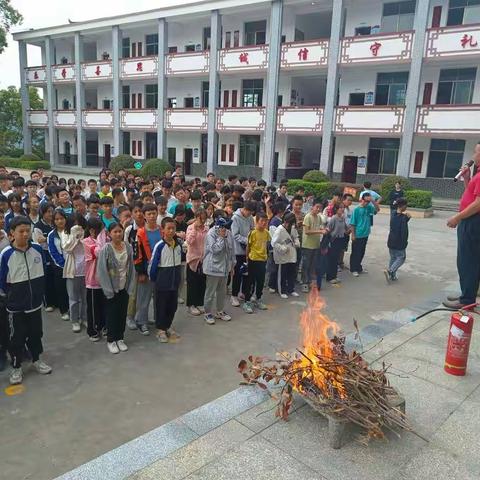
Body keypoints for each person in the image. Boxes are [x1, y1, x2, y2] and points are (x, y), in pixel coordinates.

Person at [0, 216, 52, 385]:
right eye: (20, 231)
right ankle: (16, 366)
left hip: (35, 304)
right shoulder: (6, 255)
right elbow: (2, 281)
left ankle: (37, 359)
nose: (25, 234)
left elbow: (42, 271)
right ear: (12, 234)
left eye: (27, 231)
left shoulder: (36, 249)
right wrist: (11, 297)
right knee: (16, 337)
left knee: (36, 333)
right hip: (15, 306)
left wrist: (38, 293)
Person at [444, 142, 480, 309]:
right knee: (470, 260)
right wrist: (466, 179)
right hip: (471, 220)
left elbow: (478, 204)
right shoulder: (477, 174)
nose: (474, 156)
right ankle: (467, 294)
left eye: (476, 152)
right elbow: (471, 195)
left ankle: (466, 300)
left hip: (473, 222)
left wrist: (457, 218)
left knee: (467, 261)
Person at [97, 222, 135, 354]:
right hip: (111, 289)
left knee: (122, 313)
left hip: (124, 286)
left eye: (120, 231)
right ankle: (111, 340)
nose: (118, 234)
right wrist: (108, 290)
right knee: (112, 314)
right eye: (115, 232)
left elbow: (131, 267)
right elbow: (102, 271)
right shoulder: (106, 249)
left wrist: (130, 285)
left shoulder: (128, 247)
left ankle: (120, 338)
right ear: (109, 234)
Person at [149, 217, 182, 343]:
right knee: (161, 306)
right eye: (168, 228)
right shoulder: (160, 246)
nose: (171, 231)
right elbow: (152, 265)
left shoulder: (178, 245)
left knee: (172, 306)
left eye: (173, 228)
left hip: (174, 281)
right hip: (162, 282)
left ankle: (168, 326)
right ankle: (160, 330)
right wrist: (155, 279)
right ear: (162, 230)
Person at [134, 203, 162, 335]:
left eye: (153, 213)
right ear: (144, 216)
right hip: (146, 270)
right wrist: (140, 272)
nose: (151, 216)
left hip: (161, 270)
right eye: (149, 214)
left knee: (159, 296)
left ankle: (158, 320)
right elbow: (137, 254)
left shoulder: (162, 230)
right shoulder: (140, 233)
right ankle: (141, 322)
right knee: (143, 297)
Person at [202, 216, 235, 325]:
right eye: (224, 226)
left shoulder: (229, 233)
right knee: (210, 292)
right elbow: (215, 250)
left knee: (222, 292)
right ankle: (207, 313)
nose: (226, 228)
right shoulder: (211, 233)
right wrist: (221, 237)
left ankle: (219, 311)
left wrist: (232, 266)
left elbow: (231, 251)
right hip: (213, 268)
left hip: (225, 268)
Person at [61, 213, 88, 333]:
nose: (77, 226)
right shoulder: (65, 234)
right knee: (73, 298)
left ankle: (85, 318)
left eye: (79, 224)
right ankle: (75, 321)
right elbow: (67, 248)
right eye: (74, 224)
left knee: (85, 298)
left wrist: (81, 236)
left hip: (86, 270)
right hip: (72, 271)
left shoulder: (85, 233)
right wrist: (73, 236)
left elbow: (89, 246)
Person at [83, 217, 107, 341]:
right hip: (93, 280)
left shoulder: (104, 240)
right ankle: (92, 330)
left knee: (104, 305)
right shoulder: (87, 242)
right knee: (93, 307)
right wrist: (101, 238)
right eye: (100, 231)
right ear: (92, 231)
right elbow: (99, 252)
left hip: (105, 280)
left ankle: (103, 326)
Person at [243, 212, 270, 313]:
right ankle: (247, 301)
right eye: (262, 221)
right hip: (253, 260)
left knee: (260, 281)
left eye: (265, 221)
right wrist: (247, 258)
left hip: (262, 260)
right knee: (250, 282)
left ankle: (258, 299)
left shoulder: (267, 233)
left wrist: (266, 256)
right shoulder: (252, 233)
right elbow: (248, 247)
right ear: (257, 221)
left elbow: (267, 245)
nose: (264, 223)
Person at [230, 201, 255, 307]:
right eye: (248, 212)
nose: (249, 215)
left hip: (248, 250)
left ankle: (243, 292)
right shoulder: (235, 218)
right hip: (237, 250)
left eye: (251, 213)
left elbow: (252, 230)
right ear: (244, 209)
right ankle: (234, 295)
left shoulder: (250, 218)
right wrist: (247, 240)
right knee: (237, 274)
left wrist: (252, 239)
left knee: (246, 273)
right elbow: (235, 235)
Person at [47, 209, 70, 320]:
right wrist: (62, 263)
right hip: (59, 267)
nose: (60, 221)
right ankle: (64, 310)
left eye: (61, 218)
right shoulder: (52, 235)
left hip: (72, 264)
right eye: (57, 219)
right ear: (54, 221)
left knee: (72, 289)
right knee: (61, 289)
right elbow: (52, 252)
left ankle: (73, 309)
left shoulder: (70, 231)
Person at [33, 203, 56, 312]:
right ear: (43, 213)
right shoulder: (38, 226)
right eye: (48, 212)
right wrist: (49, 238)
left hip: (55, 252)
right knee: (46, 279)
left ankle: (56, 301)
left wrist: (46, 237)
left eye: (52, 211)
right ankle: (48, 303)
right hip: (44, 253)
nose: (51, 214)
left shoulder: (54, 223)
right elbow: (39, 240)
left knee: (55, 278)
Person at [349, 192, 379, 277]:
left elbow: (377, 210)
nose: (367, 203)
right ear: (362, 200)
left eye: (368, 201)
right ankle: (353, 268)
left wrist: (373, 201)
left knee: (362, 252)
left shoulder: (369, 207)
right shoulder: (357, 210)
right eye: (366, 201)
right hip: (358, 234)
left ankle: (359, 267)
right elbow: (353, 223)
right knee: (356, 252)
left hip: (365, 233)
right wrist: (353, 235)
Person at [185, 209, 209, 316]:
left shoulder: (207, 229)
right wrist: (195, 228)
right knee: (192, 283)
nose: (202, 220)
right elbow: (190, 241)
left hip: (203, 260)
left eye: (204, 218)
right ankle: (191, 304)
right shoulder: (190, 228)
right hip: (193, 259)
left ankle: (200, 302)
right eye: (201, 218)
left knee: (202, 283)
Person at [271, 212, 300, 299]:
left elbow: (295, 237)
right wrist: (282, 248)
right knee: (282, 274)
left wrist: (297, 242)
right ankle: (282, 291)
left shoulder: (293, 228)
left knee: (291, 273)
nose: (289, 225)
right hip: (282, 255)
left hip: (291, 254)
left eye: (291, 224)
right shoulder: (279, 230)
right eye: (288, 223)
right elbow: (274, 243)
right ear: (285, 221)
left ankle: (291, 289)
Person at [301, 198, 327, 292]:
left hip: (316, 245)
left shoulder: (319, 217)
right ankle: (304, 282)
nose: (318, 209)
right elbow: (307, 231)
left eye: (320, 208)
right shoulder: (308, 217)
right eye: (317, 207)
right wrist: (320, 231)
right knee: (306, 265)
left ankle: (311, 282)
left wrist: (324, 230)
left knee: (313, 265)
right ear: (312, 207)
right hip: (307, 245)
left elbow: (320, 227)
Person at [385, 198, 410, 284]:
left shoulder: (393, 214)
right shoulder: (403, 218)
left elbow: (397, 222)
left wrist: (406, 218)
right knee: (401, 258)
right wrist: (404, 242)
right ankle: (391, 270)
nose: (406, 207)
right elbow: (403, 231)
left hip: (391, 240)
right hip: (399, 241)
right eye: (405, 206)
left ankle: (392, 276)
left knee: (393, 257)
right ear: (402, 206)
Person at [326, 204, 347, 284]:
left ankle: (334, 276)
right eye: (340, 208)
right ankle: (330, 277)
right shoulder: (333, 218)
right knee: (332, 259)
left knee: (336, 259)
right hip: (334, 240)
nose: (342, 209)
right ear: (336, 209)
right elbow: (329, 229)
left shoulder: (342, 218)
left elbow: (345, 228)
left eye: (343, 208)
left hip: (341, 239)